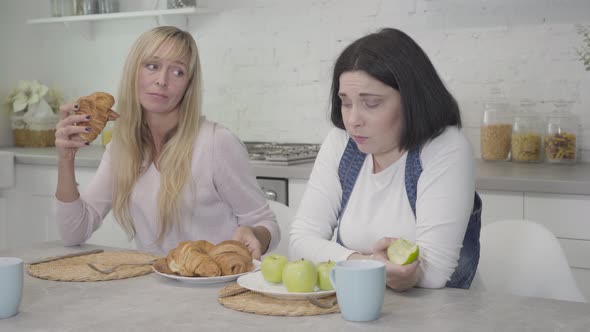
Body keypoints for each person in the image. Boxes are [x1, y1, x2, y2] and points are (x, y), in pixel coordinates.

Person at [54, 26, 279, 259]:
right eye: (152, 66)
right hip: (153, 286)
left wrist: (255, 234)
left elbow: (265, 222)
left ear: (188, 86)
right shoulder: (121, 147)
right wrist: (65, 159)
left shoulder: (216, 143)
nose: (162, 80)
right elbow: (74, 233)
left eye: (178, 72)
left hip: (217, 287)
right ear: (134, 72)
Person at [289, 28, 481, 291]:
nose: (353, 119)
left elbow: (434, 273)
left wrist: (348, 263)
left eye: (371, 103)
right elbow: (300, 241)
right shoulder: (340, 144)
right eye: (346, 103)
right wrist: (365, 262)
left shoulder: (444, 148)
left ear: (412, 100)